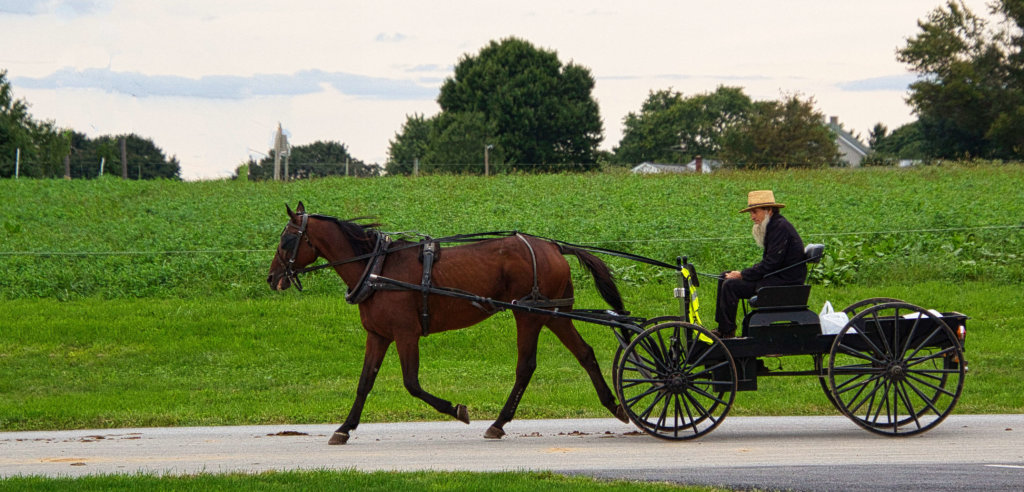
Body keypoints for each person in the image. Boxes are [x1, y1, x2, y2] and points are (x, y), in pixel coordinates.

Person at [714, 190, 806, 338]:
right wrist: (743, 274)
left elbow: (771, 263)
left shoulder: (779, 227)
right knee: (724, 276)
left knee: (730, 285)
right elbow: (770, 263)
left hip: (784, 283)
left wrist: (743, 274)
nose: (752, 217)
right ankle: (723, 328)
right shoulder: (774, 225)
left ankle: (727, 333)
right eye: (751, 213)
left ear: (768, 210)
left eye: (755, 212)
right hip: (775, 278)